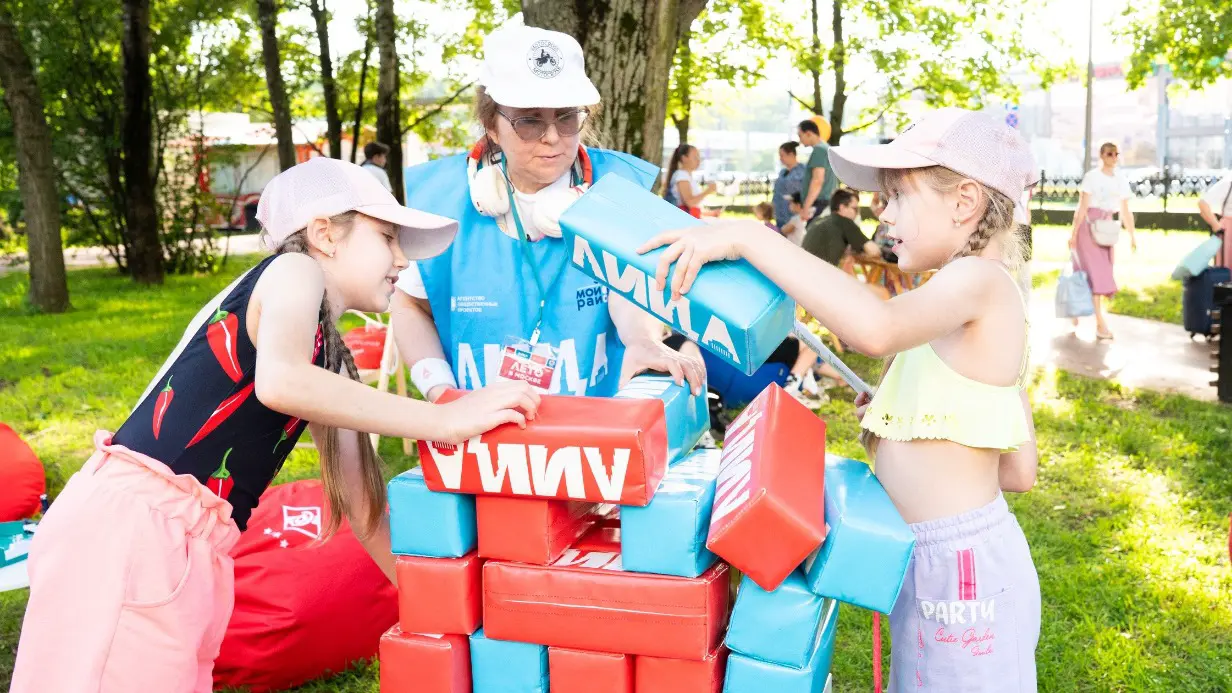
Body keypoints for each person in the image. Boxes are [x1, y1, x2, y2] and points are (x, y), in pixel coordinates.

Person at [9, 157, 540, 693]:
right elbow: (279, 381)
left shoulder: (328, 361)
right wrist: (442, 419)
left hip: (192, 546)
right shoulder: (293, 271)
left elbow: (363, 505)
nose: (402, 258)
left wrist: (449, 623)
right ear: (325, 234)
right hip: (134, 532)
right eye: (387, 236)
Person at [638, 107, 1041, 692]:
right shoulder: (965, 300)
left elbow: (871, 329)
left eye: (899, 197)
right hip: (954, 563)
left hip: (961, 577)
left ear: (965, 202)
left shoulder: (976, 280)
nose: (883, 213)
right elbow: (1019, 470)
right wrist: (901, 419)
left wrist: (750, 238)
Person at [390, 18, 704, 406]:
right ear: (491, 124)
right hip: (477, 438)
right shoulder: (440, 202)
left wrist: (643, 340)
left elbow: (630, 287)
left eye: (567, 117)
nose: (552, 136)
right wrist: (441, 393)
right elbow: (409, 304)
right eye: (529, 121)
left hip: (592, 438)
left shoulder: (616, 191)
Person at [1070, 142, 1137, 340]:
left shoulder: (1120, 179)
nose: (1113, 157)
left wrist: (1132, 234)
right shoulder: (1091, 177)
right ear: (1101, 155)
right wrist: (1073, 234)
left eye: (1116, 154)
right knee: (1095, 275)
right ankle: (1100, 323)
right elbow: (1082, 207)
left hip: (1107, 231)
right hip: (1089, 228)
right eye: (1110, 154)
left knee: (1099, 274)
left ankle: (1075, 309)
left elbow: (1125, 210)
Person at [802, 187, 881, 268]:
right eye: (855, 209)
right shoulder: (845, 222)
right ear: (842, 207)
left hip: (802, 269)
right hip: (820, 274)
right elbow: (874, 251)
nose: (857, 213)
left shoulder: (819, 220)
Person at [798, 119, 838, 221]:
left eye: (800, 135)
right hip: (826, 202)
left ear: (808, 133)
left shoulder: (819, 150)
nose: (800, 141)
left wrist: (806, 207)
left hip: (819, 204)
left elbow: (817, 180)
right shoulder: (826, 147)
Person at [663, 143, 717, 218]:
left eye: (699, 157)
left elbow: (692, 208)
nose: (698, 160)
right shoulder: (681, 175)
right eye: (695, 157)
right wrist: (708, 191)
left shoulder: (687, 176)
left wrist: (711, 213)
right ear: (684, 158)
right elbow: (690, 203)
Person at [1198, 172, 1232, 265]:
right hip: (1229, 231)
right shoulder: (1228, 182)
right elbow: (1203, 203)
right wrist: (1216, 226)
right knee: (1227, 271)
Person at [772, 141, 807, 229]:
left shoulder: (803, 171)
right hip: (779, 216)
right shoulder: (782, 172)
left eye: (782, 155)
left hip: (793, 217)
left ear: (791, 154)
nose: (780, 158)